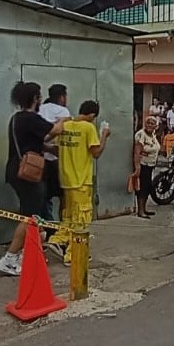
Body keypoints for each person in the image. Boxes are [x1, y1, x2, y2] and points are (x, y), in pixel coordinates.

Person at [0, 82, 65, 276]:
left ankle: (27, 254)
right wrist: (66, 118)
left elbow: (34, 141)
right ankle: (9, 258)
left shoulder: (16, 118)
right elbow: (56, 130)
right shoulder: (31, 118)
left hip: (16, 169)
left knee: (31, 216)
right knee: (29, 218)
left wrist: (50, 149)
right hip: (28, 174)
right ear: (35, 98)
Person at [47, 100, 110, 266]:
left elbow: (54, 147)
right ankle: (73, 255)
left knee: (69, 215)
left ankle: (57, 240)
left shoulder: (65, 125)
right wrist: (104, 135)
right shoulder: (88, 127)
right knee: (81, 219)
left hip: (66, 179)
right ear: (92, 115)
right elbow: (96, 152)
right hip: (81, 181)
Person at [38, 84, 72, 233]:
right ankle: (58, 230)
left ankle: (46, 227)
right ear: (62, 97)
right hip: (55, 161)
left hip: (39, 160)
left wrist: (41, 144)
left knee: (44, 197)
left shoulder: (40, 109)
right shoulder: (62, 111)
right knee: (64, 195)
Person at [132, 116, 161, 219]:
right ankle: (140, 211)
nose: (149, 125)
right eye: (148, 123)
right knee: (142, 188)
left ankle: (144, 209)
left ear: (156, 126)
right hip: (143, 165)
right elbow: (137, 152)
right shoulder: (141, 135)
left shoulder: (153, 135)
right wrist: (137, 167)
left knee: (148, 187)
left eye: (152, 123)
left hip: (150, 166)